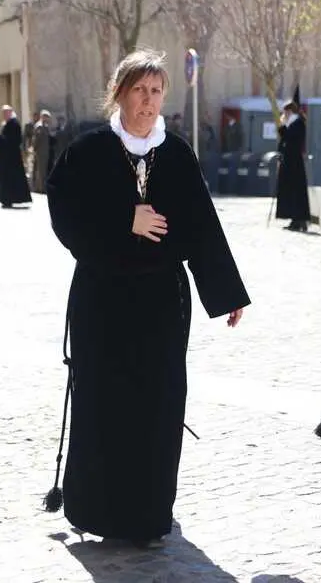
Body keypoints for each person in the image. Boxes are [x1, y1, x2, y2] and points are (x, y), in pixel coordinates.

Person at [44, 49, 250, 548]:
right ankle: (96, 508)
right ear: (120, 93)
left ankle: (148, 513)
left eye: (157, 91)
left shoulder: (176, 153)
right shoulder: (88, 151)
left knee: (159, 402)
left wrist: (225, 293)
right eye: (140, 90)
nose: (149, 101)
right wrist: (125, 218)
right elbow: (64, 213)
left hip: (161, 301)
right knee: (102, 400)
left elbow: (202, 224)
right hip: (102, 297)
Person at [275, 86, 310, 232]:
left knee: (296, 191)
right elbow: (284, 139)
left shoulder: (298, 123)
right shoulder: (292, 124)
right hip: (289, 162)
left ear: (290, 111)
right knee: (290, 191)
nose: (284, 114)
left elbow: (291, 141)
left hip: (294, 163)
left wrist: (284, 129)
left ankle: (299, 220)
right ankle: (294, 219)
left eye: (286, 112)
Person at [0, 105, 32, 208]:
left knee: (11, 179)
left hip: (12, 158)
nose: (4, 115)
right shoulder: (8, 124)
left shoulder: (14, 124)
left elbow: (13, 140)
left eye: (6, 113)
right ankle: (7, 199)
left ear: (10, 113)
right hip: (7, 157)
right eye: (3, 113)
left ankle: (10, 198)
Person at [31, 110, 53, 194]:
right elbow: (36, 139)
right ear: (43, 117)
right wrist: (35, 149)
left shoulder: (45, 126)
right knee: (40, 170)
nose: (48, 119)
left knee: (43, 170)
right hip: (40, 151)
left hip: (45, 151)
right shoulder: (39, 126)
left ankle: (41, 186)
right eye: (46, 117)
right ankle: (40, 188)